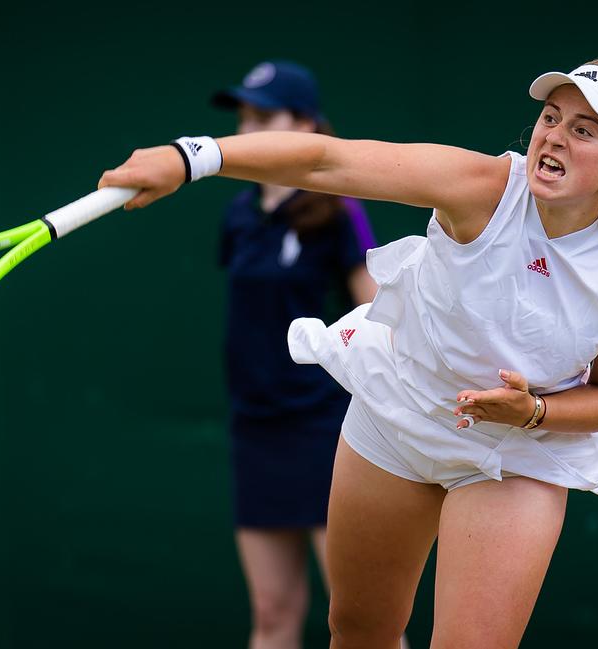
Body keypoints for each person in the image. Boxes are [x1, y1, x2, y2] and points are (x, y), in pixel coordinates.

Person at [99, 57, 598, 649]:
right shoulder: (479, 187)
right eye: (551, 117)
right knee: (359, 633)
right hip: (398, 409)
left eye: (584, 130)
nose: (553, 136)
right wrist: (191, 157)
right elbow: (328, 159)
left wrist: (533, 414)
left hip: (516, 453)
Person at [211, 61, 379, 649]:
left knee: (360, 623)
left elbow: (383, 320)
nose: (246, 129)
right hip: (255, 428)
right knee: (273, 612)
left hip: (327, 431)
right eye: (244, 116)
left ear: (305, 125)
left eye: (264, 116)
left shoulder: (340, 212)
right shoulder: (239, 215)